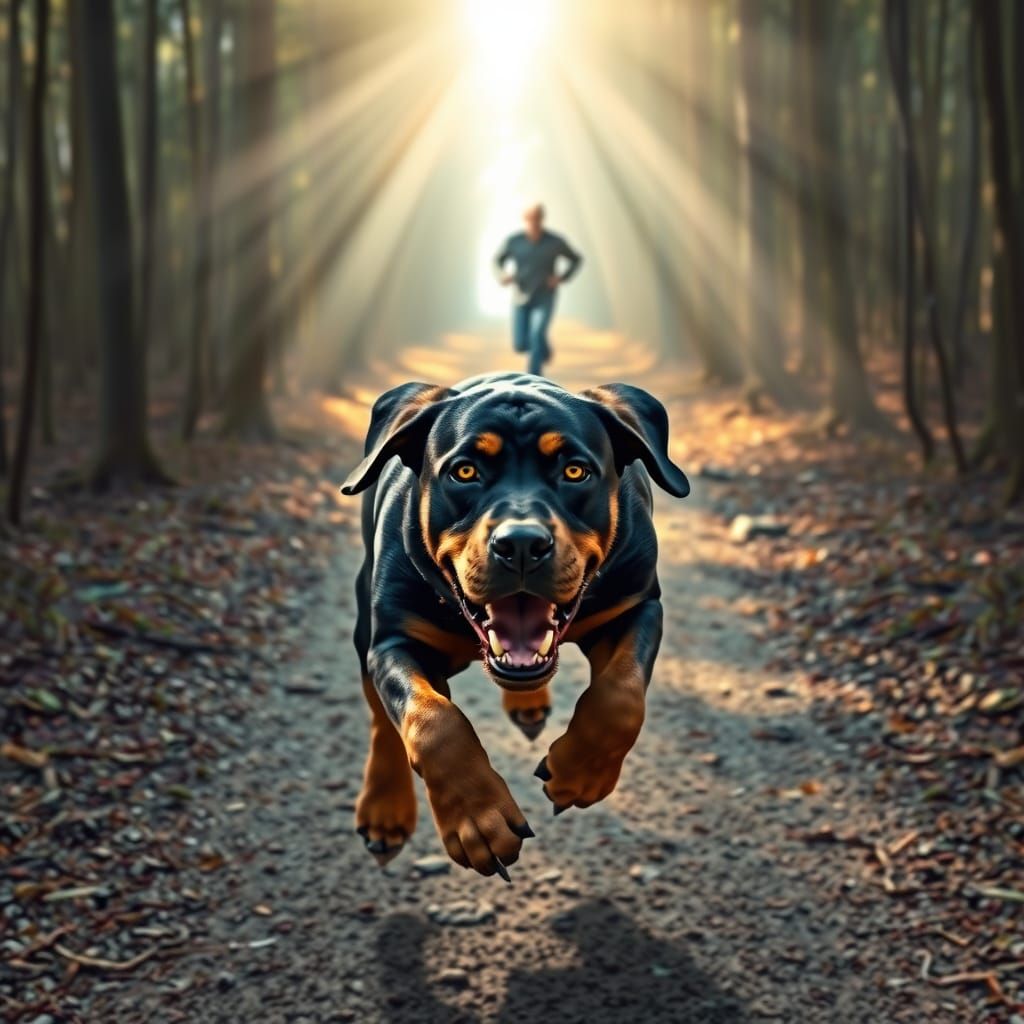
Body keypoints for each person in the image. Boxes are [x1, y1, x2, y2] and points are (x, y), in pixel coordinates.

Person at [494, 203, 583, 376]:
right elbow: (497, 261)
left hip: (545, 297)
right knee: (520, 344)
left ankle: (534, 379)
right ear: (525, 220)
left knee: (536, 335)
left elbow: (576, 259)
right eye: (531, 220)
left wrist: (561, 277)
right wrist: (503, 275)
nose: (534, 223)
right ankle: (545, 349)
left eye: (538, 219)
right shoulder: (514, 241)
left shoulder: (555, 242)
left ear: (543, 220)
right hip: (520, 298)